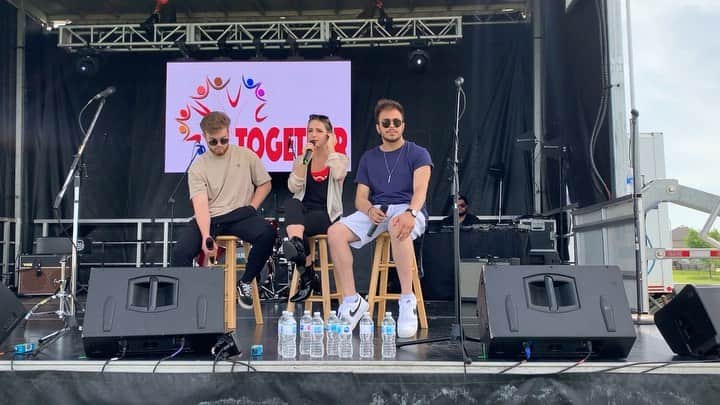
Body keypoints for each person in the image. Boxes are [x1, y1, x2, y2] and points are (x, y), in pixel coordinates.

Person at [327, 99, 432, 338]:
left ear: (403, 125)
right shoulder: (369, 157)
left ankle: (407, 300)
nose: (391, 126)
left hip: (409, 208)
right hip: (379, 209)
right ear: (378, 127)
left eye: (396, 122)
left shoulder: (418, 153)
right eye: (386, 123)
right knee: (335, 233)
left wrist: (410, 213)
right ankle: (352, 300)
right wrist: (368, 210)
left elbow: (421, 191)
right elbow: (361, 198)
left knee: (399, 225)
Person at [172, 111, 275, 309]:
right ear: (204, 137)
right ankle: (185, 305)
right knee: (180, 252)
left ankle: (245, 282)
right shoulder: (198, 167)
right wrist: (205, 236)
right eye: (213, 142)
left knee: (267, 233)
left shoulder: (246, 155)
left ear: (229, 133)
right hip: (210, 218)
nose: (219, 145)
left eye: (223, 140)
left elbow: (265, 184)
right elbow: (200, 204)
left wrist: (252, 206)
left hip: (240, 215)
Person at [282, 114, 349, 302]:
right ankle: (307, 269)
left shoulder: (339, 158)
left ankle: (307, 274)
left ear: (329, 135)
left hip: (327, 215)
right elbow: (293, 187)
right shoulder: (303, 160)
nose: (314, 135)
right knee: (291, 205)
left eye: (319, 131)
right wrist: (305, 159)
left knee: (293, 231)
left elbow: (338, 174)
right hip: (304, 213)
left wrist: (332, 149)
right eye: (310, 131)